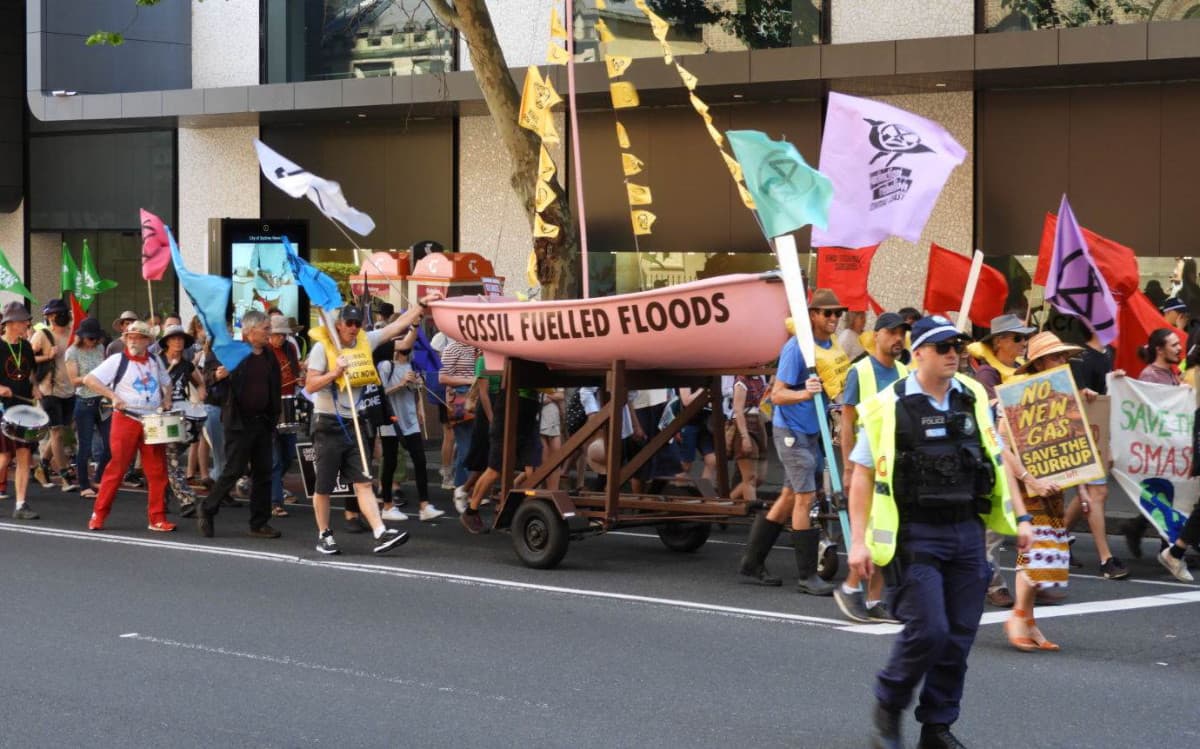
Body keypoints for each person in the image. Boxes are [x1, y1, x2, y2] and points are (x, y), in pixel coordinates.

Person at [846, 316, 1031, 749]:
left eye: (959, 347)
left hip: (967, 530)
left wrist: (1021, 518)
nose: (954, 354)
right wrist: (858, 541)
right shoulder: (886, 406)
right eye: (944, 347)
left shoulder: (972, 396)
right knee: (929, 631)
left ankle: (937, 727)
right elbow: (861, 475)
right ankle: (888, 706)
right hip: (915, 534)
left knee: (959, 636)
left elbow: (998, 459)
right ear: (919, 353)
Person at [306, 301, 436, 555]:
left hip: (355, 422)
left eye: (358, 323)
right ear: (339, 325)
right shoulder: (324, 348)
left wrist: (421, 306)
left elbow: (397, 326)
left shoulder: (366, 341)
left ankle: (379, 531)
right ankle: (324, 534)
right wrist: (335, 372)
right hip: (328, 423)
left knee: (364, 481)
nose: (354, 328)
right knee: (324, 485)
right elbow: (310, 385)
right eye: (349, 324)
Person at [743, 290, 847, 594]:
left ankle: (752, 561)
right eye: (827, 313)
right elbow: (776, 394)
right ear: (812, 315)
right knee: (806, 497)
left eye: (837, 313)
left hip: (813, 431)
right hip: (790, 431)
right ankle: (806, 576)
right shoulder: (796, 348)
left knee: (790, 496)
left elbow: (831, 391)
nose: (833, 319)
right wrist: (805, 393)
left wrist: (839, 421)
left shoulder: (830, 347)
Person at [1003, 332, 1080, 652]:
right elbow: (1002, 446)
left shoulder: (1062, 395)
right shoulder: (1015, 397)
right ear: (1038, 363)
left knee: (1048, 548)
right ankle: (1018, 616)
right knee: (1034, 549)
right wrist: (1029, 478)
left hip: (1052, 484)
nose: (1062, 362)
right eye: (1055, 357)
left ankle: (1030, 622)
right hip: (1027, 485)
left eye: (1063, 357)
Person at [832, 312, 910, 623]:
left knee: (885, 532)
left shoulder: (905, 371)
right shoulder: (860, 371)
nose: (897, 338)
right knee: (872, 532)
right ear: (875, 336)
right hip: (868, 462)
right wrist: (849, 469)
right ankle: (851, 588)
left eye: (901, 333)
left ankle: (874, 599)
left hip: (895, 463)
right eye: (891, 332)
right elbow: (847, 425)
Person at [967, 313, 1035, 609]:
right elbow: (993, 414)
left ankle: (1030, 579)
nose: (1024, 343)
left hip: (1023, 455)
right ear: (1000, 341)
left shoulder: (1021, 370)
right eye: (1018, 338)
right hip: (997, 457)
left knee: (1019, 524)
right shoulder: (987, 376)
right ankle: (992, 583)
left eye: (1025, 338)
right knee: (994, 528)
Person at [197, 311, 282, 540]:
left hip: (262, 422)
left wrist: (275, 415)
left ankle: (259, 523)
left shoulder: (268, 355)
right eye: (265, 329)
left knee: (264, 472)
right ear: (249, 331)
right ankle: (208, 508)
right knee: (234, 469)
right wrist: (218, 375)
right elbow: (207, 377)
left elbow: (274, 384)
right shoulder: (231, 351)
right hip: (238, 422)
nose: (269, 333)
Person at [84, 321, 175, 532]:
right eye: (130, 336)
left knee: (157, 470)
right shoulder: (117, 360)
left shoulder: (154, 361)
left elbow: (167, 382)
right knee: (116, 468)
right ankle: (99, 514)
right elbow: (90, 379)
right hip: (126, 418)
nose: (133, 340)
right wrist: (113, 396)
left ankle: (157, 517)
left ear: (146, 341)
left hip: (151, 420)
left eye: (138, 337)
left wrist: (167, 398)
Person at [1065, 325, 1128, 579]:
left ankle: (1056, 539)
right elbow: (1078, 395)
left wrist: (1117, 381)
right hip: (1082, 430)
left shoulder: (1108, 353)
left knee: (1088, 492)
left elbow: (1106, 393)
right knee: (1097, 491)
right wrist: (1083, 393)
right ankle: (1105, 559)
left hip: (1100, 431)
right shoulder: (1079, 357)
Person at [1121, 328, 1187, 559]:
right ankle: (1167, 544)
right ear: (1159, 349)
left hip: (1171, 447)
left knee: (1167, 494)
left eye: (1179, 344)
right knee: (1165, 494)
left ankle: (1139, 528)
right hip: (1157, 447)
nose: (1179, 348)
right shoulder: (1150, 376)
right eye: (1174, 344)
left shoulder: (1171, 373)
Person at [377, 327, 443, 521]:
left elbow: (413, 393)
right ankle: (387, 505)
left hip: (410, 420)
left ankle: (425, 505)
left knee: (420, 461)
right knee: (390, 462)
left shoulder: (413, 366)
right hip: (390, 420)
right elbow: (382, 393)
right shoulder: (385, 366)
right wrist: (400, 384)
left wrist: (417, 384)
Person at [30, 298, 78, 492]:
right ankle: (65, 476)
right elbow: (27, 358)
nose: (53, 318)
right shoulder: (42, 335)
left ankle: (42, 466)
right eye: (50, 315)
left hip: (69, 389)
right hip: (49, 389)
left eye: (56, 314)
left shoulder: (72, 334)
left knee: (62, 430)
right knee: (56, 432)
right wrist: (47, 355)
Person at [158, 324, 203, 518]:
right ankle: (187, 499)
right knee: (171, 458)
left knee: (169, 458)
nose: (178, 342)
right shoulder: (156, 362)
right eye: (174, 338)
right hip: (160, 414)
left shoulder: (186, 365)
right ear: (167, 342)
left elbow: (200, 384)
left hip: (181, 412)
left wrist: (200, 397)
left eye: (181, 339)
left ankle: (162, 498)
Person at [0, 302, 40, 519]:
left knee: (24, 455)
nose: (27, 323)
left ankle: (21, 504)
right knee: (4, 457)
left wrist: (35, 386)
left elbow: (32, 372)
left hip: (25, 409)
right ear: (11, 323)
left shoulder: (25, 346)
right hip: (3, 409)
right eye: (24, 320)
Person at [65, 317, 111, 499]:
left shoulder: (100, 348)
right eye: (89, 338)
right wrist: (89, 379)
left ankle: (98, 477)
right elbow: (73, 380)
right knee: (85, 446)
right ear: (81, 337)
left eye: (95, 338)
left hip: (103, 401)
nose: (92, 342)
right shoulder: (72, 352)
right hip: (84, 401)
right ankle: (84, 484)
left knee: (110, 444)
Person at [266, 314, 303, 518]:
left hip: (289, 402)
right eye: (277, 334)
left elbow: (296, 373)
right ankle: (275, 501)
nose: (281, 338)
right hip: (271, 405)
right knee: (274, 458)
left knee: (288, 453)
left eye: (283, 335)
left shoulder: (289, 348)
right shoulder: (264, 351)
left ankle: (271, 485)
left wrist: (301, 379)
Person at [439, 337, 479, 498]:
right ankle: (466, 490)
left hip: (475, 396)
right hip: (461, 397)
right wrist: (471, 380)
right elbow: (442, 377)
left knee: (470, 446)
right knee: (466, 445)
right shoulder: (452, 348)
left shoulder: (477, 347)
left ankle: (462, 488)